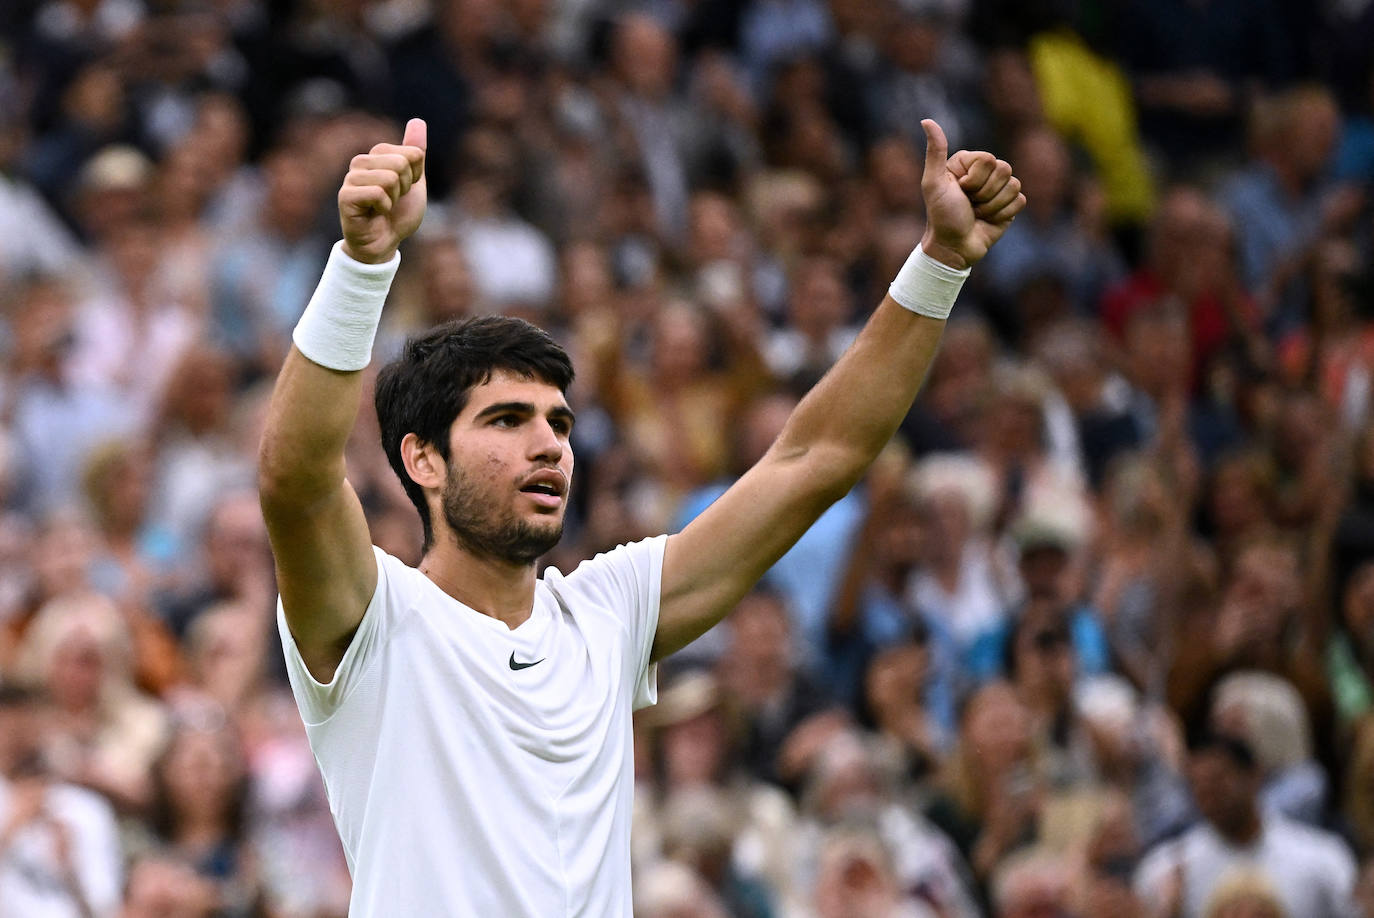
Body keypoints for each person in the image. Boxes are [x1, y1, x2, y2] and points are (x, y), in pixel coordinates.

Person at [256, 115, 1024, 914]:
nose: (549, 446)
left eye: (559, 424)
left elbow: (813, 461)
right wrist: (363, 266)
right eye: (507, 421)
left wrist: (940, 263)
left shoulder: (606, 612)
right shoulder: (374, 618)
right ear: (422, 460)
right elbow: (295, 478)